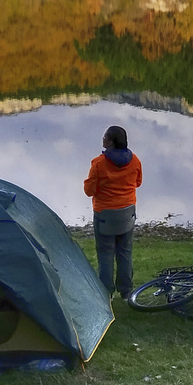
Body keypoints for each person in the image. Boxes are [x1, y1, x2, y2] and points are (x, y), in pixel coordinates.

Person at [83, 125, 143, 299]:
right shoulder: (135, 160)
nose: (102, 139)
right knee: (125, 251)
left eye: (104, 137)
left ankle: (106, 292)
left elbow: (89, 191)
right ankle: (126, 291)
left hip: (105, 215)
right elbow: (137, 182)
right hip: (127, 212)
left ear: (110, 141)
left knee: (105, 252)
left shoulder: (99, 163)